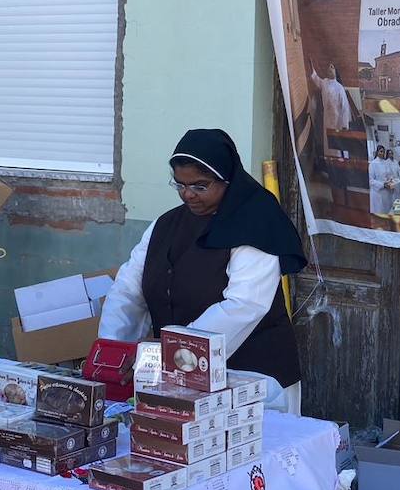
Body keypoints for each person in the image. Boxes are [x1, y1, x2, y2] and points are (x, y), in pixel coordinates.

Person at [100, 129, 308, 413]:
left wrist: (168, 353)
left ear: (228, 180)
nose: (188, 194)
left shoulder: (256, 224)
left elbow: (243, 305)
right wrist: (113, 351)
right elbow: (128, 291)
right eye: (180, 185)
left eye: (200, 186)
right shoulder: (165, 226)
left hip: (250, 378)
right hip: (178, 376)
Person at [309, 60, 353, 143]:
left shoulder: (339, 88)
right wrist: (311, 66)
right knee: (327, 142)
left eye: (332, 67)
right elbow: (316, 78)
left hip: (337, 121)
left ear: (336, 71)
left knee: (337, 144)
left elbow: (345, 108)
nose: (329, 68)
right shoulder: (324, 82)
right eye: (328, 67)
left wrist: (344, 125)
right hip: (327, 119)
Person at [369, 145, 398, 215]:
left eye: (383, 152)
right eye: (381, 151)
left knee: (387, 211)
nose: (382, 153)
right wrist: (382, 185)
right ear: (377, 152)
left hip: (387, 192)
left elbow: (390, 175)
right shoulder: (373, 164)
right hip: (378, 193)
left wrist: (391, 181)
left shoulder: (385, 163)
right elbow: (371, 180)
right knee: (379, 212)